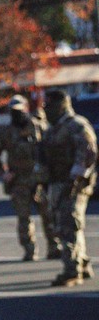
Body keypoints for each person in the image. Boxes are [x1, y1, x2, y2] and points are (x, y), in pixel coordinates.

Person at [0, 94, 58, 261]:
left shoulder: (39, 127)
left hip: (40, 179)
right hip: (19, 181)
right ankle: (29, 250)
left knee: (48, 215)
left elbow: (52, 150)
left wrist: (51, 171)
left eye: (19, 110)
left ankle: (54, 247)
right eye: (13, 111)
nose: (17, 114)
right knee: (23, 218)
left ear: (26, 108)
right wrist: (3, 173)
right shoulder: (6, 133)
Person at [41, 89, 98, 287]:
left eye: (49, 105)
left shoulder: (76, 125)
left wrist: (76, 177)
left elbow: (88, 152)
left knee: (69, 225)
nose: (46, 109)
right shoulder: (54, 128)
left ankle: (72, 270)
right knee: (66, 225)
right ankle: (81, 263)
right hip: (57, 182)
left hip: (73, 184)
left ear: (60, 105)